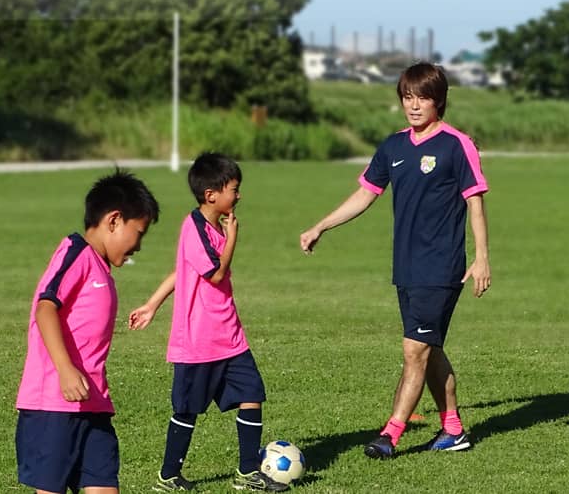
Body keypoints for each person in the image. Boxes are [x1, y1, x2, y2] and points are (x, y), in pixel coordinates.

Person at [298, 62, 491, 459]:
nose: (414, 105)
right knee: (429, 348)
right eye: (407, 97)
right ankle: (453, 429)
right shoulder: (394, 146)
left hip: (441, 267)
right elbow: (365, 195)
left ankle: (390, 433)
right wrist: (322, 225)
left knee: (414, 350)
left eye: (422, 97)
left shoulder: (457, 144)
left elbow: (475, 202)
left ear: (439, 100)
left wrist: (482, 258)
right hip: (406, 266)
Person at [128, 153, 288, 492]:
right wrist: (233, 237)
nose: (239, 195)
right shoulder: (195, 228)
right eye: (234, 189)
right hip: (198, 341)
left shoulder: (214, 226)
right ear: (211, 194)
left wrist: (151, 304)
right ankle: (168, 476)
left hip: (229, 335)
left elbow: (181, 271)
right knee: (187, 410)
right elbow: (215, 274)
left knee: (252, 394)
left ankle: (247, 472)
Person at [15, 169, 160, 494]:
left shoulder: (100, 267)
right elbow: (45, 308)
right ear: (114, 220)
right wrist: (66, 371)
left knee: (105, 485)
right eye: (139, 232)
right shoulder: (76, 253)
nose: (139, 244)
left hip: (93, 402)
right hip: (54, 404)